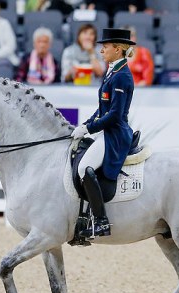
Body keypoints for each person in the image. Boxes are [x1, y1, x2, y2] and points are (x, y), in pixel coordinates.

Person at [71, 28, 136, 238]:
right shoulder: (112, 71)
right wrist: (86, 124)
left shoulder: (123, 76)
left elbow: (115, 115)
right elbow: (102, 109)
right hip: (107, 129)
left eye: (105, 47)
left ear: (117, 49)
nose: (101, 51)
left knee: (84, 168)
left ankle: (100, 221)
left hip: (115, 134)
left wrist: (90, 129)